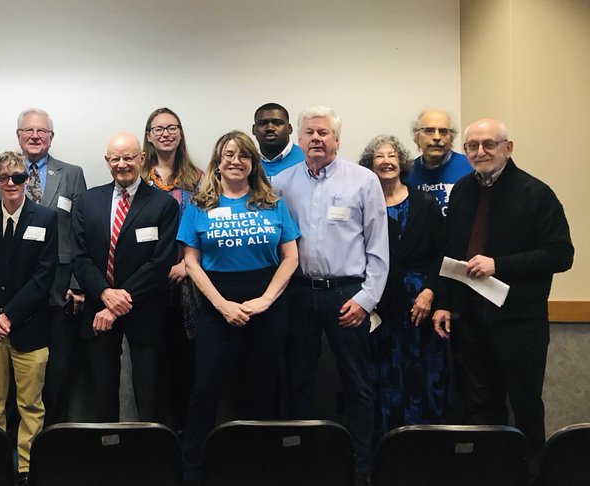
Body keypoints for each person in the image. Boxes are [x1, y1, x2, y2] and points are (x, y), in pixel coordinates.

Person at [432, 119, 573, 475]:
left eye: (489, 144)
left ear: (507, 148)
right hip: (471, 322)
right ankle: (487, 474)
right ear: (464, 152)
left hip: (518, 324)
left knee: (524, 407)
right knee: (479, 408)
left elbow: (561, 255)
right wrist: (446, 303)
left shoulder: (535, 193)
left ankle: (530, 476)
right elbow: (453, 251)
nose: (480, 152)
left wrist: (500, 265)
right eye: (472, 146)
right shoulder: (461, 191)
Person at [272, 106, 388, 481]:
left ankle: (360, 466)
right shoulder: (283, 184)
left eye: (323, 132)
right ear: (299, 139)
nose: (316, 139)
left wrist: (366, 299)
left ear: (337, 139)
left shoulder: (363, 180)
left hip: (347, 295)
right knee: (300, 380)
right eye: (309, 133)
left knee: (356, 382)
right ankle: (305, 462)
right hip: (300, 294)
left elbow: (378, 247)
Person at [177, 131, 299, 483]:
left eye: (243, 155)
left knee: (263, 386)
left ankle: (260, 465)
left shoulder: (272, 202)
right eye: (228, 154)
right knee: (205, 389)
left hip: (267, 301)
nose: (235, 161)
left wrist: (265, 300)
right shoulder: (200, 205)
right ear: (218, 161)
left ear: (252, 162)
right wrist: (222, 305)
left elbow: (290, 257)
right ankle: (193, 468)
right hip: (217, 303)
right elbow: (191, 262)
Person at [0, 107, 87, 425]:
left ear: (51, 137)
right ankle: (11, 442)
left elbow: (81, 230)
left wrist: (79, 285)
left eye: (42, 131)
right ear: (18, 135)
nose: (35, 136)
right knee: (7, 373)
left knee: (55, 370)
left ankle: (52, 440)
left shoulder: (71, 173)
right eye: (28, 130)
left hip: (58, 288)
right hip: (8, 293)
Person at [71, 132, 179, 423]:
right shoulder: (87, 201)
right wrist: (105, 295)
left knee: (150, 393)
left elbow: (161, 262)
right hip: (98, 307)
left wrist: (117, 302)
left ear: (142, 158)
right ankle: (107, 458)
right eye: (115, 158)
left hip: (145, 308)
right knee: (102, 393)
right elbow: (79, 257)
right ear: (107, 162)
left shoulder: (163, 205)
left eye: (129, 157)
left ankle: (151, 459)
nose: (122, 164)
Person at [0, 151, 59, 484]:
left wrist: (10, 315)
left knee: (30, 406)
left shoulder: (46, 219)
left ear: (27, 180)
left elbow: (43, 277)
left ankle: (26, 468)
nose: (11, 183)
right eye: (4, 178)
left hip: (29, 328)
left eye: (18, 177)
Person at [356, 135, 447, 441]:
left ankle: (424, 445)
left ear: (402, 162)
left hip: (420, 301)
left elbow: (441, 254)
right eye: (378, 156)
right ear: (370, 165)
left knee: (422, 371)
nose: (386, 160)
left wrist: (429, 291)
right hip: (378, 302)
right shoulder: (361, 204)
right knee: (381, 373)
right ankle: (385, 443)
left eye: (392, 155)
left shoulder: (425, 203)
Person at [142, 107, 203, 428]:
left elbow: (209, 230)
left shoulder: (200, 180)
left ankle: (183, 437)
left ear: (180, 133)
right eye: (158, 128)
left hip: (189, 285)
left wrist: (186, 266)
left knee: (185, 366)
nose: (166, 133)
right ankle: (154, 439)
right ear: (149, 136)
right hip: (146, 286)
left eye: (172, 127)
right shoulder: (138, 179)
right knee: (150, 368)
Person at [403, 110, 472, 216]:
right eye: (429, 131)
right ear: (416, 137)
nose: (437, 137)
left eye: (443, 131)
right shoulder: (406, 172)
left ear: (451, 138)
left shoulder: (470, 167)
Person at [253, 103, 305, 178]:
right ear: (254, 129)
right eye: (262, 123)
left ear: (289, 128)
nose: (270, 128)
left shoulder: (307, 159)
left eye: (277, 123)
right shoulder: (247, 162)